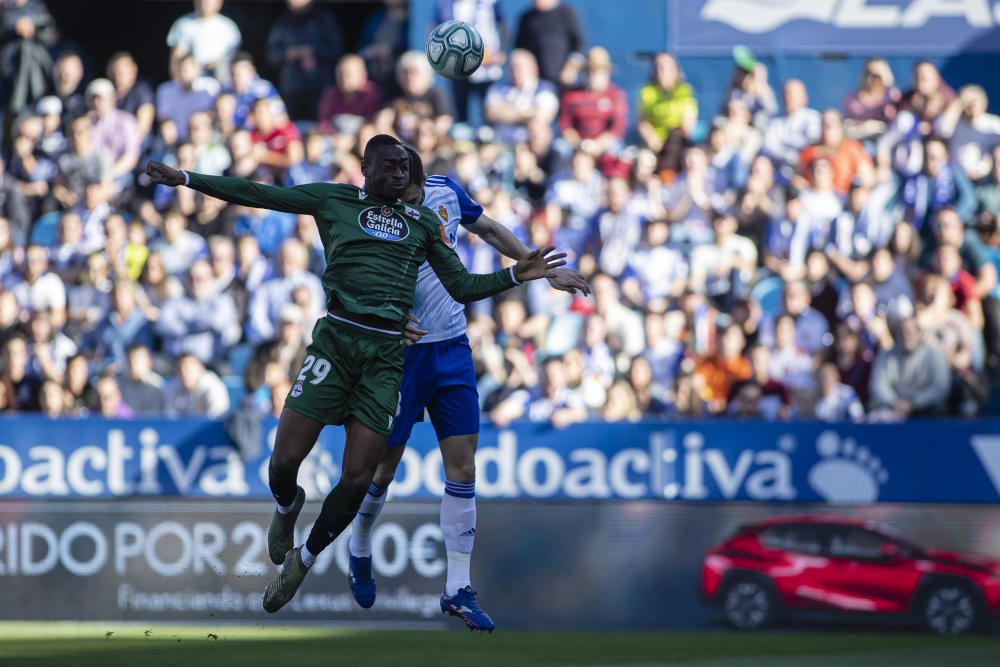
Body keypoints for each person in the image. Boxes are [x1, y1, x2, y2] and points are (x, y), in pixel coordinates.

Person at [144, 133, 564, 615]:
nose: (398, 174)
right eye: (388, 166)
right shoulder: (334, 199)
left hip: (387, 358)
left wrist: (516, 274)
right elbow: (260, 193)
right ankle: (286, 507)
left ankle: (304, 560)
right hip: (336, 344)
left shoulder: (423, 221)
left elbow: (462, 285)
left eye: (404, 167)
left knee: (360, 476)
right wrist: (188, 179)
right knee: (283, 463)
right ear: (363, 169)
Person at [345, 146, 587, 631]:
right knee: (383, 470)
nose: (403, 191)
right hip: (401, 355)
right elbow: (347, 278)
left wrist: (540, 267)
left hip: (453, 349)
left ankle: (457, 587)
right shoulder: (370, 214)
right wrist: (387, 317)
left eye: (408, 183)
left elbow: (491, 229)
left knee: (464, 464)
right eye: (395, 182)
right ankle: (360, 543)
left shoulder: (446, 193)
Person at [266, 0, 345, 120]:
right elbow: (272, 54)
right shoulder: (283, 22)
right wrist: (289, 54)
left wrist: (312, 51)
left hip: (319, 87)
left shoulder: (323, 19)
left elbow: (336, 49)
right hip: (291, 89)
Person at [433, 0, 506, 125]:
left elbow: (502, 25)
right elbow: (434, 30)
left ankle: (488, 136)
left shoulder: (489, 3)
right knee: (460, 108)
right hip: (458, 67)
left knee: (488, 107)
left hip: (486, 68)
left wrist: (501, 51)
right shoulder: (444, 4)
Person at [558, 47, 628, 156]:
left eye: (601, 72)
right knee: (560, 149)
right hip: (578, 143)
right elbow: (565, 124)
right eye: (592, 72)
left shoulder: (615, 94)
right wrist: (579, 144)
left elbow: (617, 127)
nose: (596, 76)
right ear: (585, 73)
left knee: (616, 151)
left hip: (604, 143)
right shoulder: (572, 95)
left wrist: (598, 145)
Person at [484, 49, 558, 145]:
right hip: (500, 142)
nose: (515, 72)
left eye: (519, 68)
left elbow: (542, 115)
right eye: (512, 68)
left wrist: (507, 111)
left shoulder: (545, 88)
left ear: (533, 69)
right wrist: (528, 112)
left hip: (530, 144)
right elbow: (492, 113)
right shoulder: (498, 88)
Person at [166, 0, 242, 86]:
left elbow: (236, 58)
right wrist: (179, 83)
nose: (204, 4)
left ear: (219, 3)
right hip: (194, 82)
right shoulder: (183, 24)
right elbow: (177, 57)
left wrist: (218, 64)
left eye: (208, 2)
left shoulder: (228, 26)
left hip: (222, 80)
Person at [637, 53, 697, 153]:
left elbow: (688, 123)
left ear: (675, 70)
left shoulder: (685, 91)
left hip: (677, 141)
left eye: (666, 68)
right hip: (655, 143)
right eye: (658, 68)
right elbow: (642, 122)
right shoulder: (646, 91)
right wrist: (653, 141)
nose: (661, 72)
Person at [513, 0, 584, 86]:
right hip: (536, 81)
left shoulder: (566, 13)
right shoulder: (527, 18)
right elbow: (520, 48)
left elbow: (579, 44)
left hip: (563, 79)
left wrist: (571, 68)